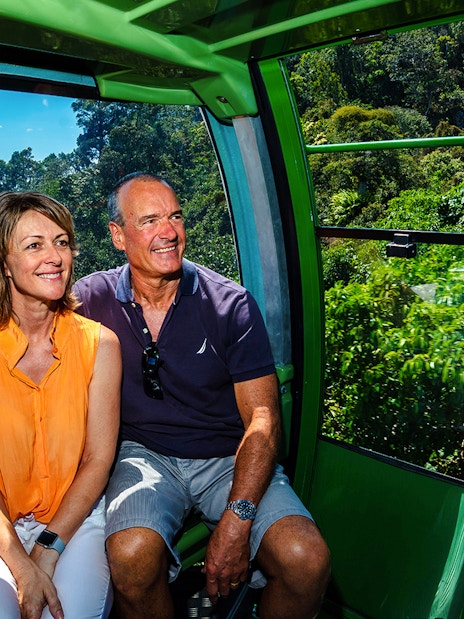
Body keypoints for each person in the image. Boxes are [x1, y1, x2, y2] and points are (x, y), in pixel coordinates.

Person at [74, 172, 331, 619]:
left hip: (226, 455)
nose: (169, 232)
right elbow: (30, 323)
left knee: (305, 560)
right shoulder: (92, 299)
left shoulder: (230, 305)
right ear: (118, 235)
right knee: (131, 556)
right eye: (149, 220)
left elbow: (263, 419)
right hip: (141, 454)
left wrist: (238, 516)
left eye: (174, 217)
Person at [0, 192, 122, 619]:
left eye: (62, 242)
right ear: (4, 262)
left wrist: (48, 551)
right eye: (34, 245)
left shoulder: (99, 344)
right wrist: (21, 566)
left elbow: (97, 458)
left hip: (75, 519)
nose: (54, 257)